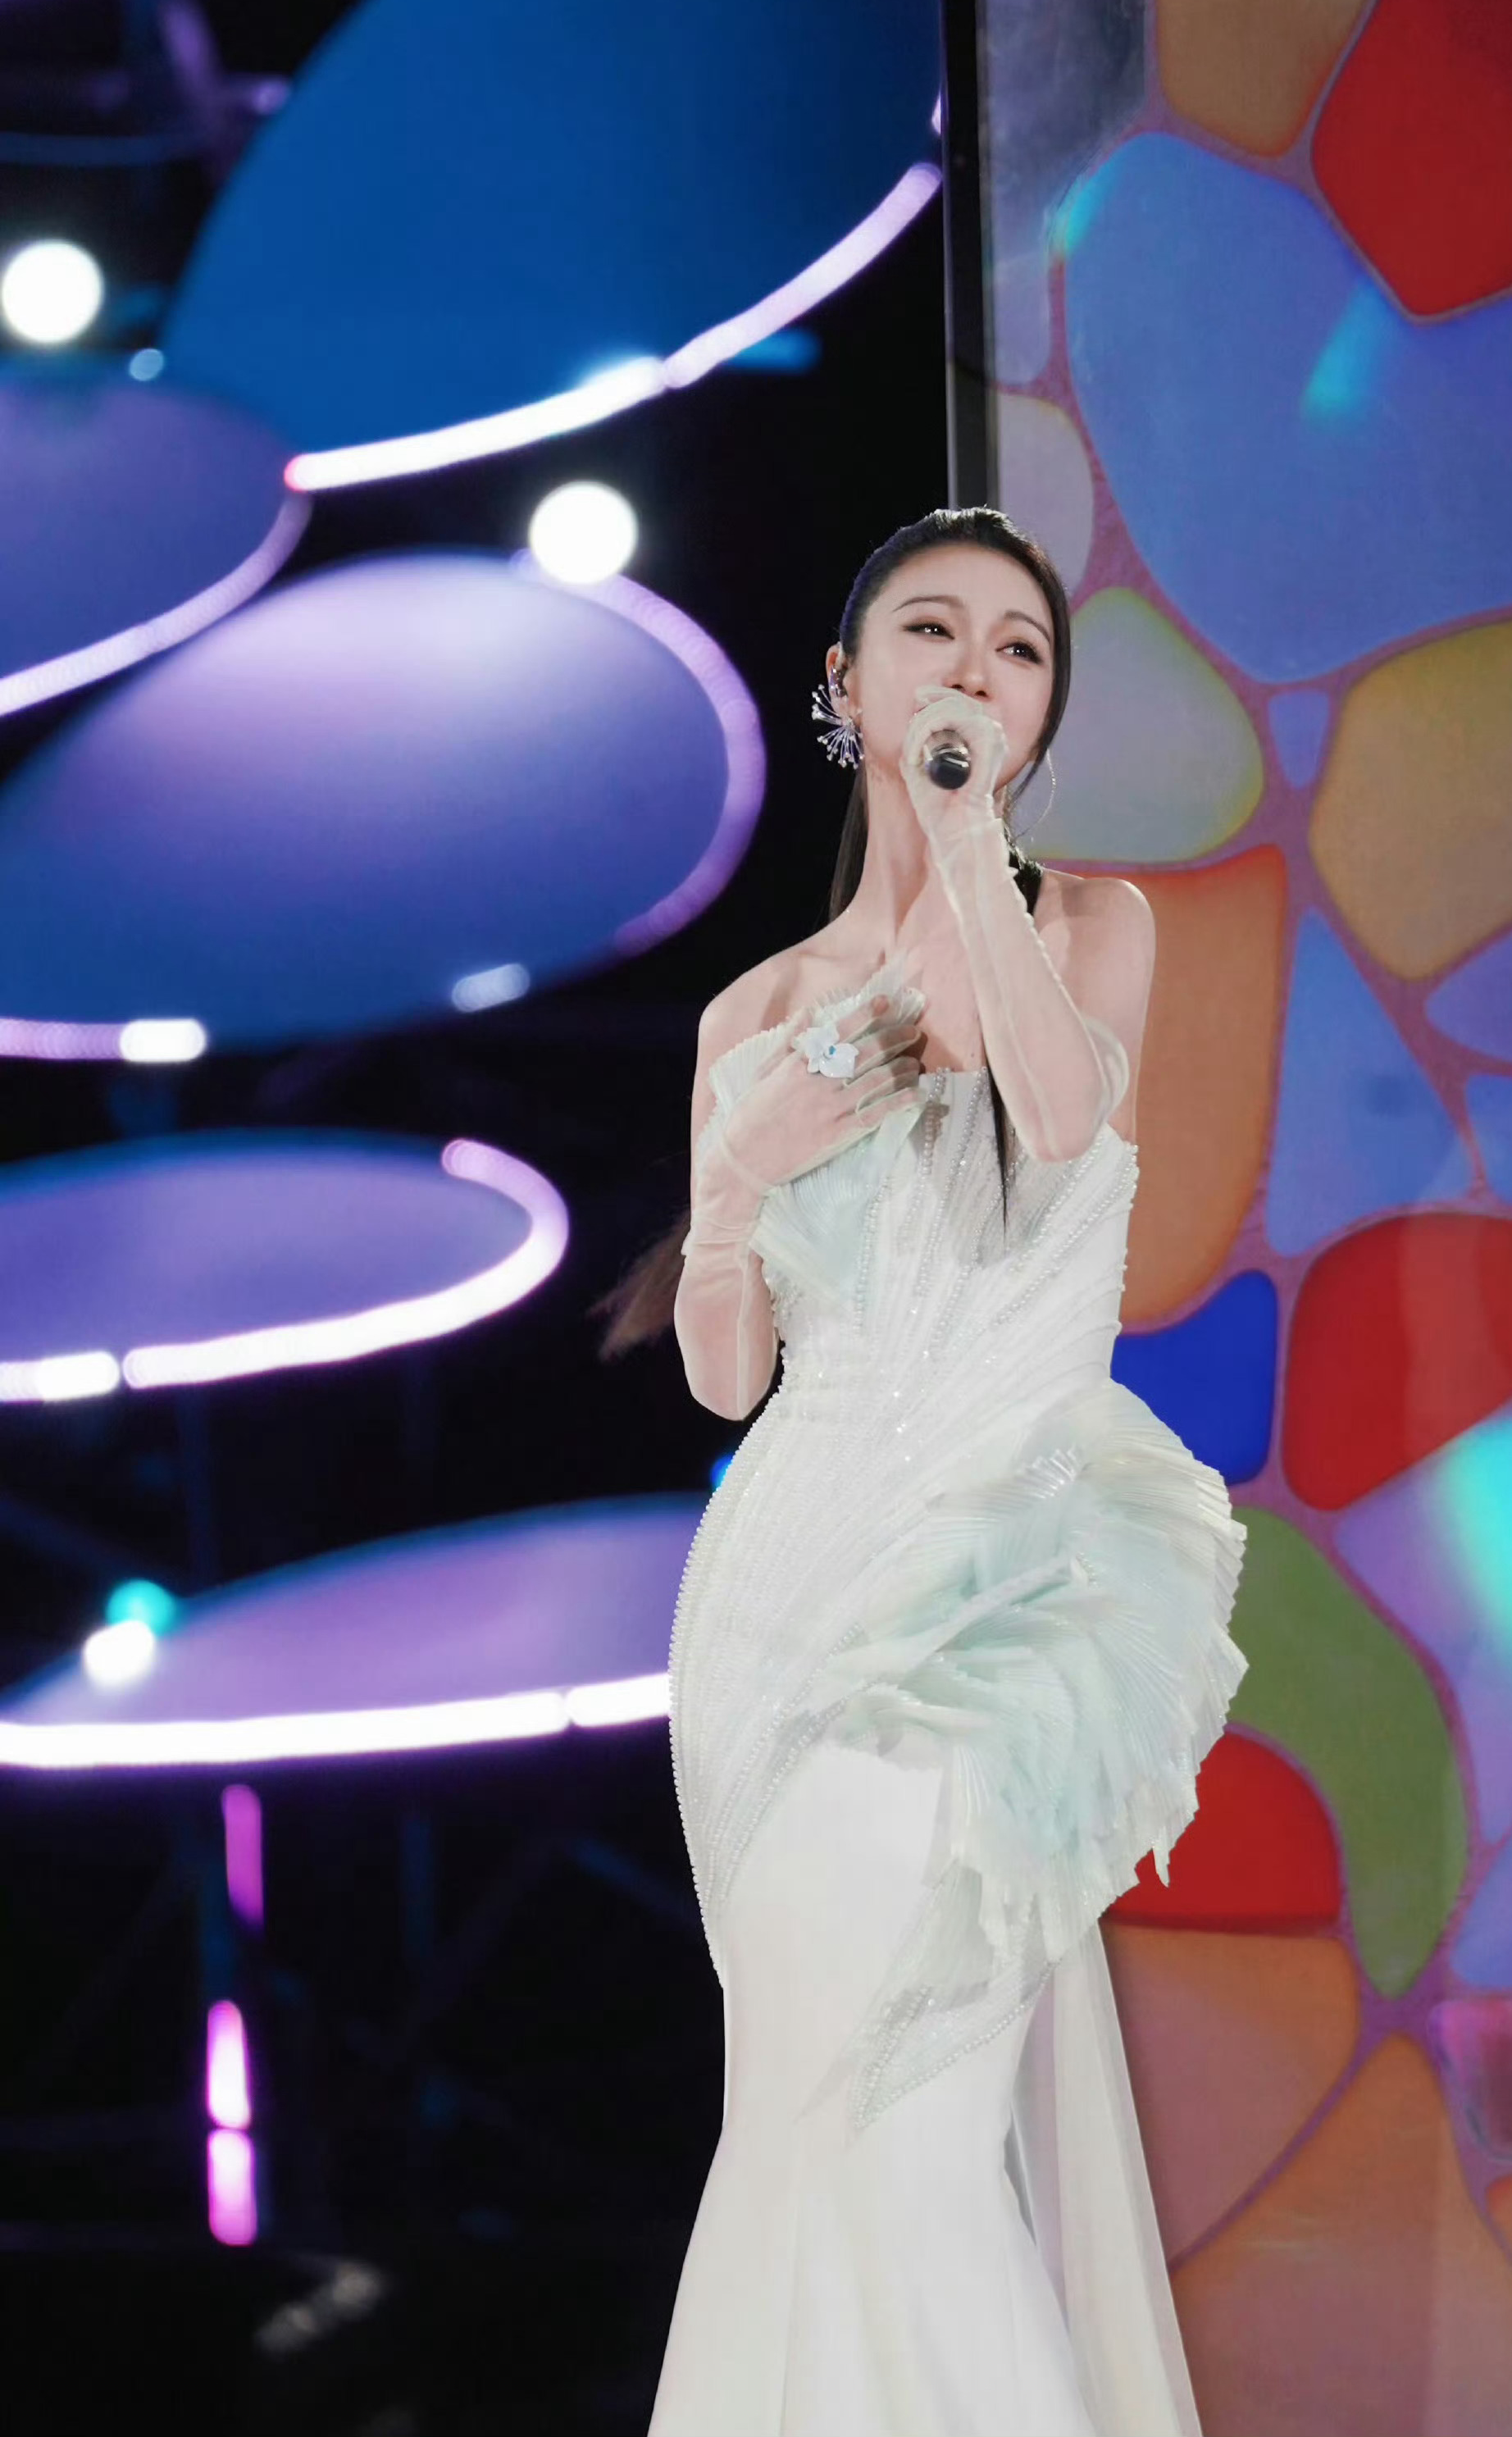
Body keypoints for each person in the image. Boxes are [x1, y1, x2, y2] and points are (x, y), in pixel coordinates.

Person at [601, 507, 1249, 2435]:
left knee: (900, 2126)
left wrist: (970, 854)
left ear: (1035, 718)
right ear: (844, 682)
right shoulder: (752, 1014)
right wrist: (737, 1176)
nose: (973, 666)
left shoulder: (1089, 928)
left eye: (1017, 650)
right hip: (775, 1616)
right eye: (932, 631)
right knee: (796, 2117)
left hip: (993, 1601)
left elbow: (1055, 1124)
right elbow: (728, 1374)